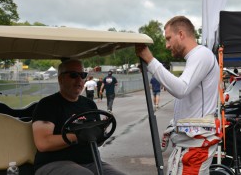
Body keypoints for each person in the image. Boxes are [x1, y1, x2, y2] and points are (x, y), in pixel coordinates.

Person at [136, 15, 220, 175]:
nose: (167, 45)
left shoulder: (201, 54)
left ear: (181, 34)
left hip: (195, 146)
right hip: (190, 143)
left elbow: (181, 89)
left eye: (168, 38)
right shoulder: (197, 57)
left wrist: (151, 61)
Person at [32, 59, 124, 175]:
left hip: (91, 162)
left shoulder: (89, 104)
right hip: (54, 163)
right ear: (60, 79)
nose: (79, 80)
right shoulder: (47, 105)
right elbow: (43, 143)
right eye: (73, 75)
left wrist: (99, 132)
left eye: (83, 75)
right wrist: (79, 135)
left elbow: (95, 141)